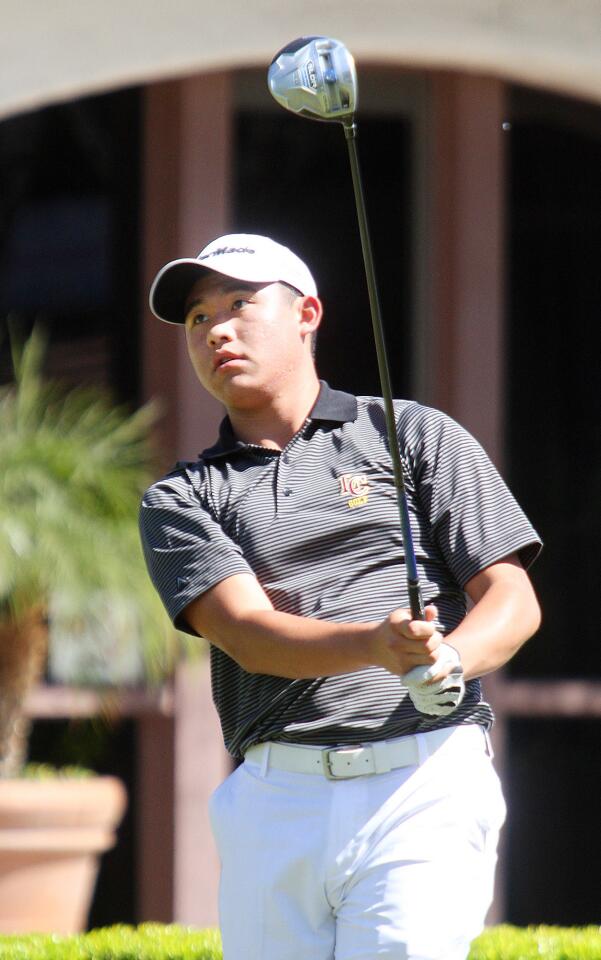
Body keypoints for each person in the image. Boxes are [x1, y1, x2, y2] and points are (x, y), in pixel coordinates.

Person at [140, 232, 542, 960]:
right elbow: (247, 633)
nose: (216, 331)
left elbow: (511, 598)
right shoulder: (181, 496)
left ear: (307, 314)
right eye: (197, 319)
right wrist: (375, 647)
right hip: (274, 797)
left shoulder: (411, 434)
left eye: (238, 304)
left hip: (421, 782)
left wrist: (447, 656)